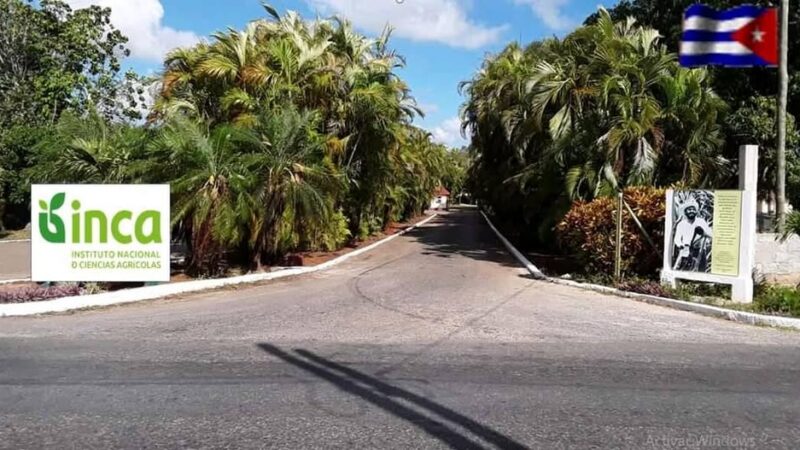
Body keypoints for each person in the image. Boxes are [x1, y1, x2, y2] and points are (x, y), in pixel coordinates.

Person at [672, 198, 713, 271]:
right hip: (686, 250)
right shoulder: (681, 224)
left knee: (701, 270)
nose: (691, 211)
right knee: (684, 269)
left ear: (696, 211)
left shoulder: (701, 222)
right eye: (689, 209)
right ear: (685, 212)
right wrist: (681, 245)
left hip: (700, 250)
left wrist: (703, 232)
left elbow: (710, 234)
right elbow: (677, 239)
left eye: (693, 209)